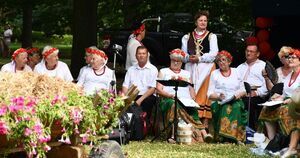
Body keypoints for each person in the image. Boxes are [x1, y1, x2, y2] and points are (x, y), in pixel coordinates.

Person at [156, 48, 213, 143]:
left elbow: (191, 90)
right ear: (170, 60)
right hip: (168, 99)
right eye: (173, 60)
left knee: (193, 107)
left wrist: (193, 99)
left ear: (182, 62)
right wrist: (169, 95)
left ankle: (203, 133)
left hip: (185, 100)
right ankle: (174, 135)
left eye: (178, 61)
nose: (175, 63)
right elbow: (158, 90)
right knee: (174, 105)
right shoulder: (163, 71)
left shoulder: (186, 73)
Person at [259, 48, 300, 158]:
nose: (290, 59)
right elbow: (283, 92)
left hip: (297, 104)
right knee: (266, 109)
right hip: (287, 102)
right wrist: (278, 97)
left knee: (285, 110)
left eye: (293, 57)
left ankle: (291, 147)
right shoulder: (289, 76)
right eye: (289, 57)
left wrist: (290, 99)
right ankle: (274, 143)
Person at [181, 10, 219, 128]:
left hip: (207, 68)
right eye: (201, 20)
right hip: (191, 68)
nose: (203, 22)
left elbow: (214, 54)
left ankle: (205, 121)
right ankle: (192, 118)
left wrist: (200, 58)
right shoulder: (187, 37)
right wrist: (189, 58)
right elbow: (183, 55)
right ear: (196, 22)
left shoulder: (212, 37)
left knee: (206, 93)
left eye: (205, 20)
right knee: (191, 92)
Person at [208, 50, 247, 143]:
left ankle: (237, 137)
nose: (221, 62)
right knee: (226, 107)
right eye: (219, 61)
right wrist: (218, 97)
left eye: (223, 60)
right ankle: (224, 138)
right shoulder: (215, 73)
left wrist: (237, 95)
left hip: (235, 99)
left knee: (236, 107)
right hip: (219, 101)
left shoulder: (236, 71)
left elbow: (243, 90)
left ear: (229, 61)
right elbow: (209, 94)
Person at [122, 46, 157, 132]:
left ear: (147, 55)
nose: (141, 56)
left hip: (146, 96)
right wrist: (127, 98)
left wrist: (140, 100)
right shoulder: (131, 69)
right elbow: (125, 86)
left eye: (143, 53)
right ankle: (128, 127)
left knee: (147, 101)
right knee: (122, 102)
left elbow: (152, 88)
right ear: (136, 55)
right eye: (139, 53)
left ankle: (143, 127)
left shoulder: (153, 69)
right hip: (132, 95)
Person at [237, 37, 268, 130]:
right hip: (240, 94)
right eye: (247, 51)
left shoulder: (263, 66)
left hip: (256, 95)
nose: (248, 53)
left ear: (257, 54)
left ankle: (249, 131)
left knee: (247, 102)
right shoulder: (240, 67)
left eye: (251, 51)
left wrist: (256, 93)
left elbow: (267, 84)